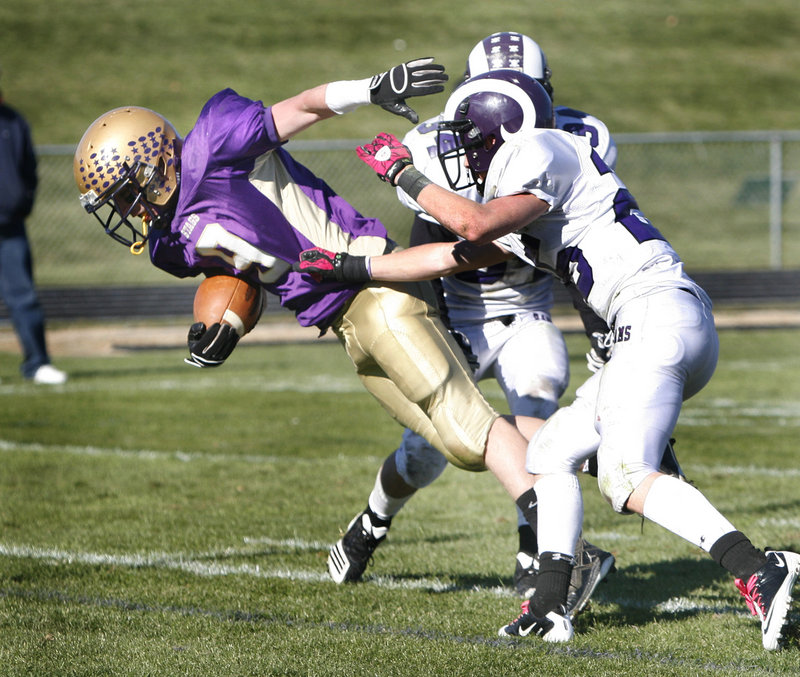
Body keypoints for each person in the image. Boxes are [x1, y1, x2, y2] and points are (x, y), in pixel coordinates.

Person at [295, 70, 800, 650]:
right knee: (549, 451)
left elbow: (470, 222)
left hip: (654, 315)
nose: (463, 150)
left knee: (625, 476)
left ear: (502, 131)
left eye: (470, 137)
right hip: (648, 326)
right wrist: (349, 269)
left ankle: (759, 569)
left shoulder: (543, 146)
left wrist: (401, 172)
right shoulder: (529, 197)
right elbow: (450, 254)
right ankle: (549, 605)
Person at [73, 58, 556, 581]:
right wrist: (225, 327)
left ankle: (562, 555)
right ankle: (582, 445)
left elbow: (301, 107)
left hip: (373, 285)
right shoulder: (169, 246)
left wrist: (370, 89)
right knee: (450, 445)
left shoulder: (214, 142)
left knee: (465, 432)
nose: (125, 210)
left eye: (124, 193)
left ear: (154, 163)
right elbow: (243, 277)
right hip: (343, 324)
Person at [326, 32, 616, 616]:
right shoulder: (432, 144)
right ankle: (372, 521)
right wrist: (435, 320)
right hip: (456, 308)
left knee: (536, 409)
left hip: (526, 307)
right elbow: (430, 239)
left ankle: (534, 550)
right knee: (424, 451)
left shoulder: (575, 141)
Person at [0, 70, 67, 385]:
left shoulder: (13, 122)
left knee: (23, 296)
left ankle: (37, 363)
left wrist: (23, 201)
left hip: (11, 228)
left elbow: (29, 167)